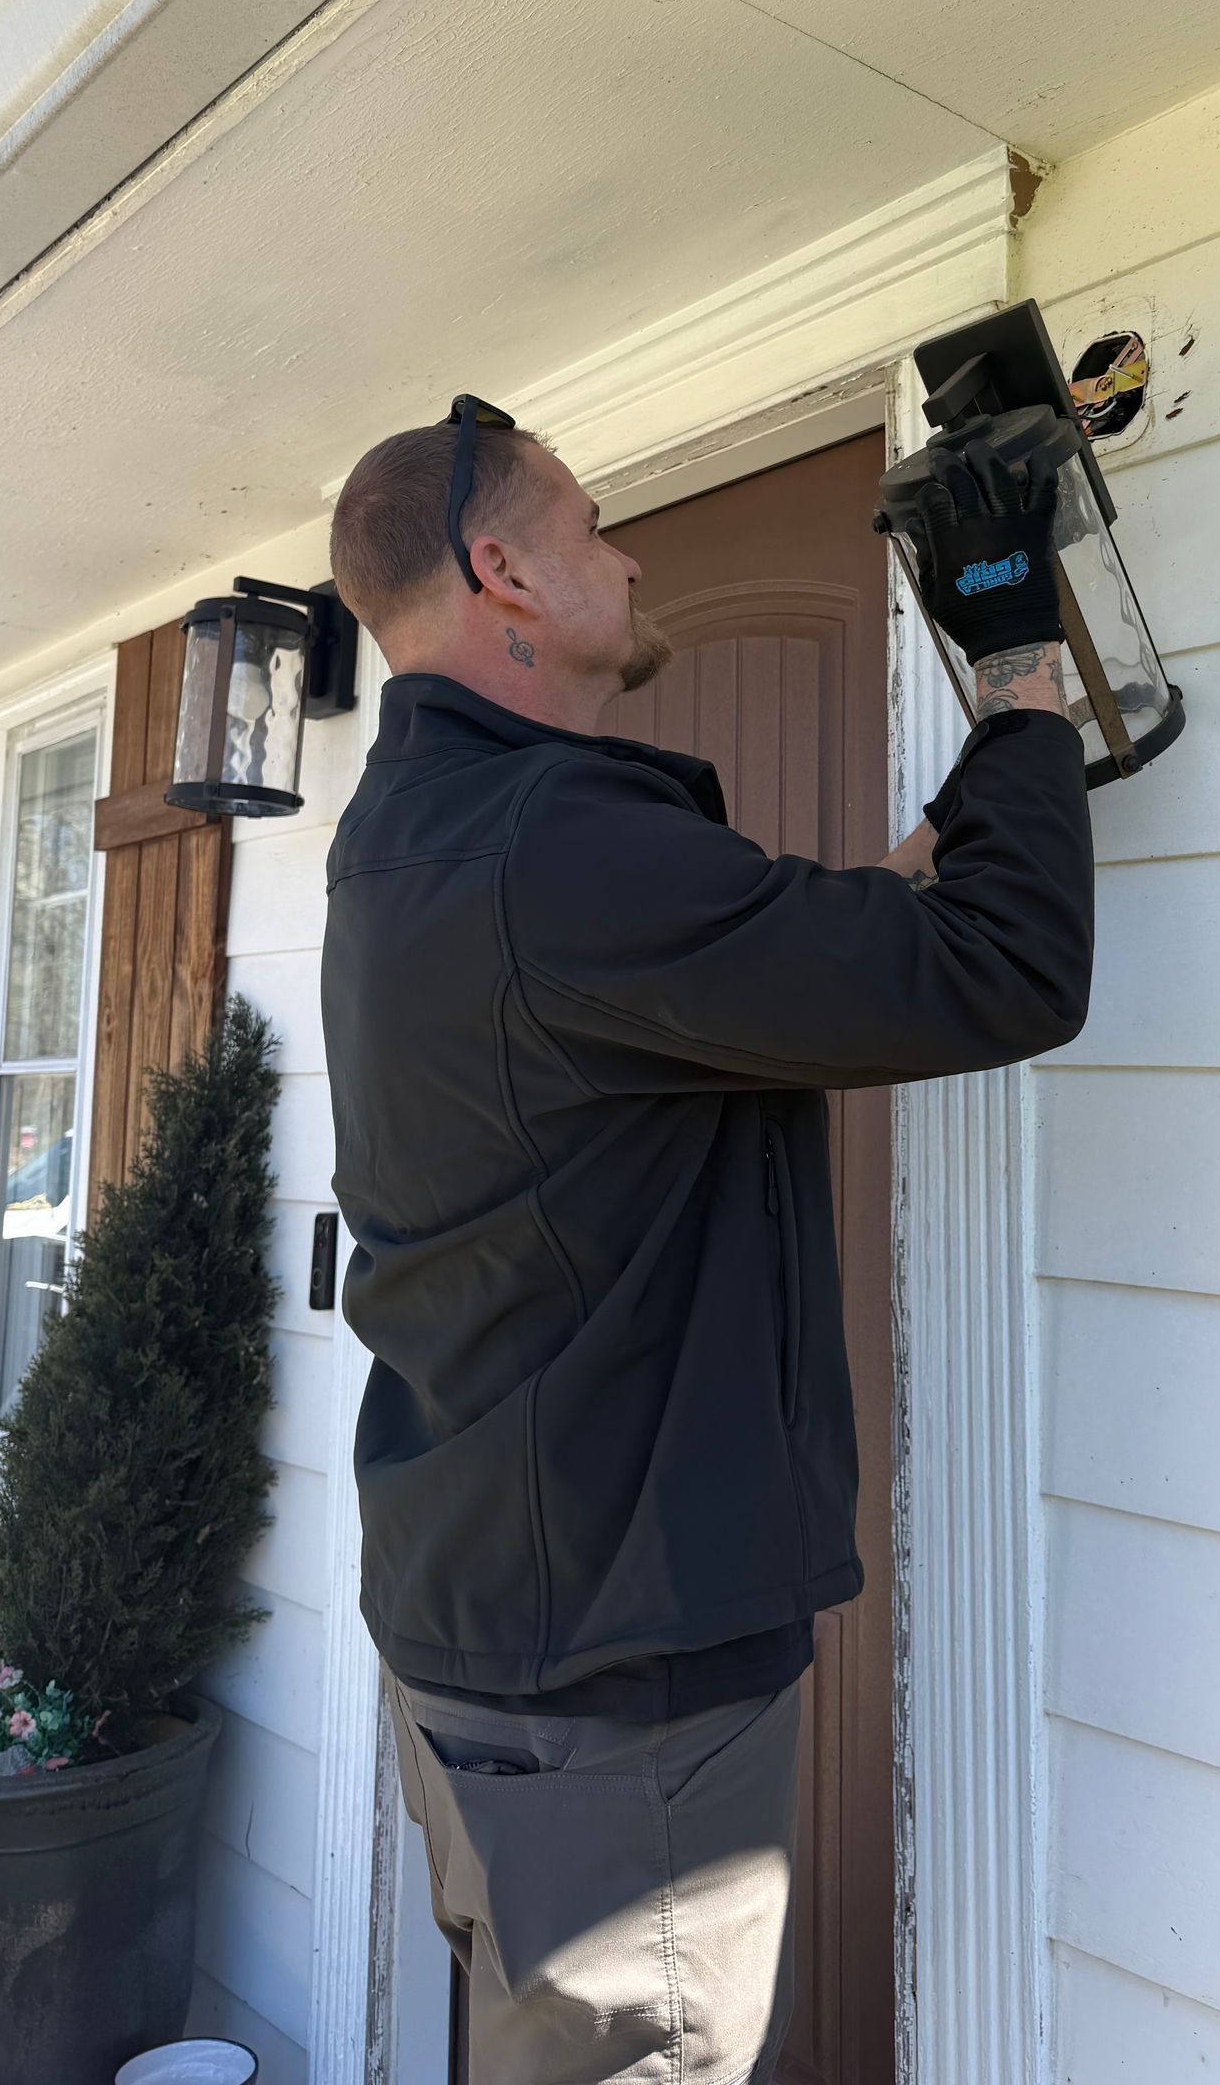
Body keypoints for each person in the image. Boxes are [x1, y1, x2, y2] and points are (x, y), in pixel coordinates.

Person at [321, 397, 1094, 2084]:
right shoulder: (560, 847)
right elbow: (1009, 971)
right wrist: (1027, 656)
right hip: (613, 1699)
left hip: (482, 1648)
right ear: (502, 569)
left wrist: (960, 808)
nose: (636, 551)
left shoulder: (422, 836)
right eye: (597, 527)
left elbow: (802, 964)